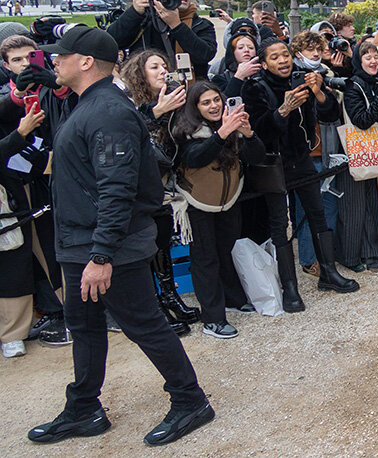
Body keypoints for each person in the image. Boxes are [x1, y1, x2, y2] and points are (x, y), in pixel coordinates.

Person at [28, 26, 213, 445]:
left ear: (86, 62)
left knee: (144, 324)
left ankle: (190, 400)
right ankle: (83, 409)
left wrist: (101, 256)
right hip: (83, 244)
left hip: (109, 248)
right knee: (85, 324)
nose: (53, 61)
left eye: (61, 55)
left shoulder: (107, 111)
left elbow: (117, 188)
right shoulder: (91, 105)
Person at [242, 37, 359, 307]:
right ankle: (290, 288)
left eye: (285, 54)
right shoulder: (254, 88)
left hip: (301, 158)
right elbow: (259, 132)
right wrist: (284, 110)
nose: (282, 60)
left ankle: (328, 273)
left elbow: (329, 116)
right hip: (272, 163)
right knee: (280, 226)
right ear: (263, 63)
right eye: (275, 57)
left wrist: (318, 93)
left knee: (317, 215)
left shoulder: (301, 78)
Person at [120, 49, 202, 336]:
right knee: (146, 244)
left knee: (163, 239)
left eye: (164, 66)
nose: (162, 71)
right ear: (140, 73)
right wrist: (157, 112)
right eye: (154, 66)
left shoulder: (175, 98)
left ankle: (169, 296)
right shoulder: (130, 103)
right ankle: (154, 304)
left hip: (166, 188)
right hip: (140, 188)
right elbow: (127, 135)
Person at [173, 81, 264, 337]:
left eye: (216, 100)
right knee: (205, 260)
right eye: (206, 102)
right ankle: (213, 319)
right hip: (196, 202)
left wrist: (248, 133)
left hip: (229, 200)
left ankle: (233, 299)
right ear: (195, 107)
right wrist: (222, 133)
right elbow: (194, 158)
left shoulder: (230, 124)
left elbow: (256, 157)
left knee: (225, 250)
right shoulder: (186, 131)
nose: (213, 106)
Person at [0, 35, 70, 344]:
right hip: (12, 190)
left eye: (30, 57)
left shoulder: (54, 87)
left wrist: (56, 84)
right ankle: (13, 332)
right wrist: (19, 121)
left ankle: (71, 314)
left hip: (50, 182)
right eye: (16, 60)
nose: (25, 65)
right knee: (14, 258)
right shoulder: (8, 97)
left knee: (53, 250)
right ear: (5, 65)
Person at [341, 41, 378, 269]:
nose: (373, 60)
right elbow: (363, 120)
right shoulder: (353, 86)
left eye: (376, 56)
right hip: (363, 148)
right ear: (359, 60)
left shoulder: (377, 82)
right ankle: (365, 252)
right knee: (364, 203)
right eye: (368, 57)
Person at [287, 30, 340, 278]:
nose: (316, 54)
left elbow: (332, 112)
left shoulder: (326, 74)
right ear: (298, 52)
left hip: (327, 150)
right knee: (307, 208)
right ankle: (309, 258)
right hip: (304, 154)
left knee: (328, 205)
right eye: (310, 50)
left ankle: (327, 256)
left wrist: (319, 91)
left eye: (318, 49)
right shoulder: (289, 76)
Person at [107, 0, 216, 80]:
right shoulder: (145, 21)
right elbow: (112, 42)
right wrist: (134, 13)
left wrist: (176, 25)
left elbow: (205, 55)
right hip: (147, 90)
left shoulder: (201, 24)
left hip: (191, 91)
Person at [0, 103, 44, 358]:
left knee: (13, 263)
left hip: (8, 202)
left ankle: (13, 335)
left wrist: (17, 97)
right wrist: (19, 135)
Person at [211, 32, 260, 97]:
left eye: (251, 48)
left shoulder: (265, 75)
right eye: (240, 48)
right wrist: (239, 76)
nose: (246, 50)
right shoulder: (220, 79)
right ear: (232, 52)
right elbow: (223, 101)